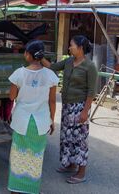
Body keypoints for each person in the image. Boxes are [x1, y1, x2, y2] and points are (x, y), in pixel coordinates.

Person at [42, 35, 98, 184]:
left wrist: (85, 112)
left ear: (80, 47)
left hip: (80, 107)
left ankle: (81, 172)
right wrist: (40, 57)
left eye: (71, 45)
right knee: (67, 137)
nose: (69, 47)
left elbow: (91, 92)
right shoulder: (68, 62)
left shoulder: (90, 66)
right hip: (67, 106)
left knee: (80, 140)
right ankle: (70, 164)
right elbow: (52, 68)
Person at [7, 40, 58, 194]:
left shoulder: (19, 73)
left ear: (28, 55)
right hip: (40, 122)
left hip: (21, 121)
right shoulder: (50, 75)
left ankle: (15, 187)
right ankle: (31, 189)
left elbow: (11, 97)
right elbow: (52, 101)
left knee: (18, 154)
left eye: (25, 51)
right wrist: (52, 120)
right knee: (36, 156)